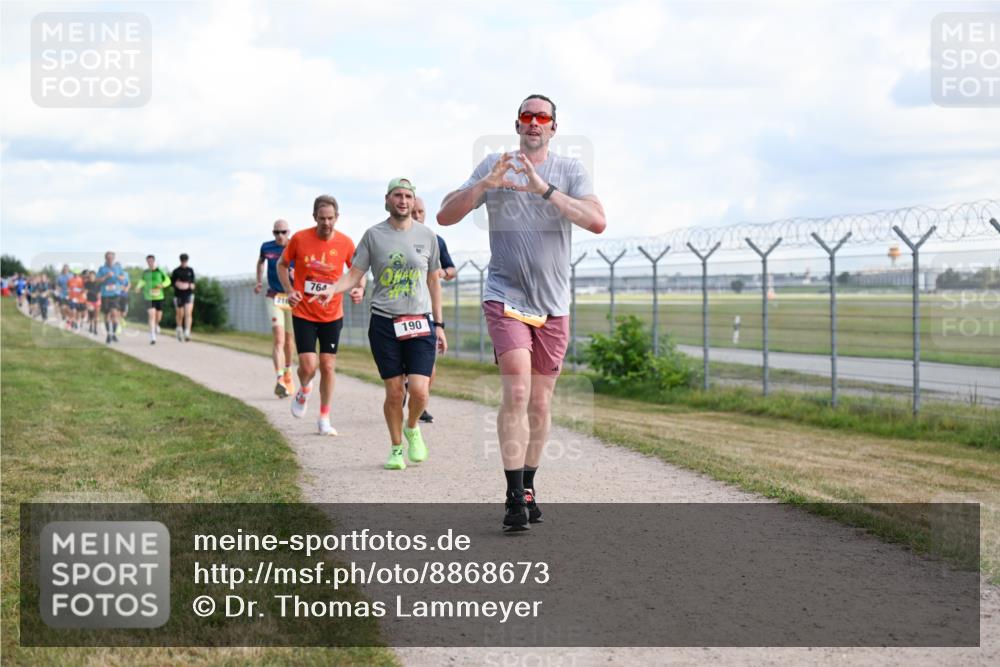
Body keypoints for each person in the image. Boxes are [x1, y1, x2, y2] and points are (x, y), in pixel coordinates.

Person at [437, 93, 606, 531]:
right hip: (505, 294)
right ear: (516, 125)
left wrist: (544, 190)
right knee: (516, 391)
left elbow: (597, 221)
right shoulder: (496, 164)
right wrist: (484, 186)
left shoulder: (569, 170)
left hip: (552, 303)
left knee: (540, 402)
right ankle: (513, 495)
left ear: (553, 127)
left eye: (542, 117)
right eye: (527, 117)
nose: (534, 123)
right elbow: (445, 215)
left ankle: (529, 484)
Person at [329, 178, 447, 470]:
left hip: (420, 322)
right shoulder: (374, 235)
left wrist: (439, 324)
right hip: (384, 321)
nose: (403, 201)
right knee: (395, 391)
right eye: (398, 195)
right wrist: (333, 289)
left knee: (419, 390)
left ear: (413, 201)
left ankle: (412, 426)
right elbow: (355, 273)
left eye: (408, 196)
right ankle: (396, 448)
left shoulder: (427, 236)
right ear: (387, 200)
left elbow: (433, 281)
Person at [277, 195, 362, 436]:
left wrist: (359, 288)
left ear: (337, 218)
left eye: (331, 218)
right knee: (308, 365)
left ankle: (324, 417)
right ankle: (304, 388)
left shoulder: (345, 242)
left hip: (332, 313)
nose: (326, 223)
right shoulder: (300, 239)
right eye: (322, 218)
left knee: (328, 365)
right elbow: (281, 265)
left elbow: (357, 270)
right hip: (304, 311)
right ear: (314, 217)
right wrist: (289, 290)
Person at [411, 196, 457, 424]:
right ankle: (402, 394)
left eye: (420, 211)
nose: (416, 216)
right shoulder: (395, 239)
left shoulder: (436, 241)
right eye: (413, 212)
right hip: (403, 308)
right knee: (402, 363)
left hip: (428, 310)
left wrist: (441, 274)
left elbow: (452, 269)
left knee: (429, 363)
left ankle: (421, 404)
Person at [256, 219, 296, 398]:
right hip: (274, 297)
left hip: (292, 298)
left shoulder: (296, 246)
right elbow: (260, 263)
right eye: (276, 232)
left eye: (283, 232)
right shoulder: (266, 247)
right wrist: (258, 280)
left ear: (289, 232)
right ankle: (279, 378)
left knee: (289, 340)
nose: (280, 235)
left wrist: (297, 275)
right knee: (278, 339)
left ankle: (288, 373)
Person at [135, 255, 171, 345]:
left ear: (154, 261)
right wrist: (138, 287)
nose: (150, 262)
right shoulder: (146, 272)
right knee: (151, 315)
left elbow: (168, 280)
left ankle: (157, 324)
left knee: (158, 317)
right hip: (148, 297)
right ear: (147, 262)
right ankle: (152, 336)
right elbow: (142, 281)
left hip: (159, 297)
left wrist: (162, 285)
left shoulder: (160, 271)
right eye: (148, 261)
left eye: (151, 261)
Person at [97, 252, 126, 343]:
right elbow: (98, 280)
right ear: (105, 259)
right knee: (106, 315)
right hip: (105, 295)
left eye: (111, 258)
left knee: (114, 313)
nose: (110, 259)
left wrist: (115, 275)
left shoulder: (118, 268)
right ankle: (109, 334)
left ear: (114, 258)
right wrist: (106, 276)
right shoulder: (102, 269)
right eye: (108, 258)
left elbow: (122, 278)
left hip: (115, 294)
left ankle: (113, 334)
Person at [172, 253, 196, 341]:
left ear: (187, 261)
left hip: (189, 294)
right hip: (178, 295)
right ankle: (179, 328)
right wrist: (178, 284)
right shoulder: (176, 271)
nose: (184, 262)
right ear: (180, 261)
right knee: (180, 314)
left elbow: (193, 284)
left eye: (185, 261)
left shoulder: (190, 270)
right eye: (182, 260)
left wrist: (188, 285)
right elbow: (172, 283)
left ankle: (187, 332)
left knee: (188, 313)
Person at [84, 270, 102, 335]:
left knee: (96, 316)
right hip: (89, 301)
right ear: (89, 276)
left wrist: (99, 295)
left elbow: (99, 292)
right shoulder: (87, 283)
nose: (91, 277)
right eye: (90, 276)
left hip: (97, 301)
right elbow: (85, 291)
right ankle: (91, 326)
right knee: (91, 314)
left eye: (93, 276)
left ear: (95, 276)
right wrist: (85, 293)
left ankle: (95, 329)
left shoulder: (98, 283)